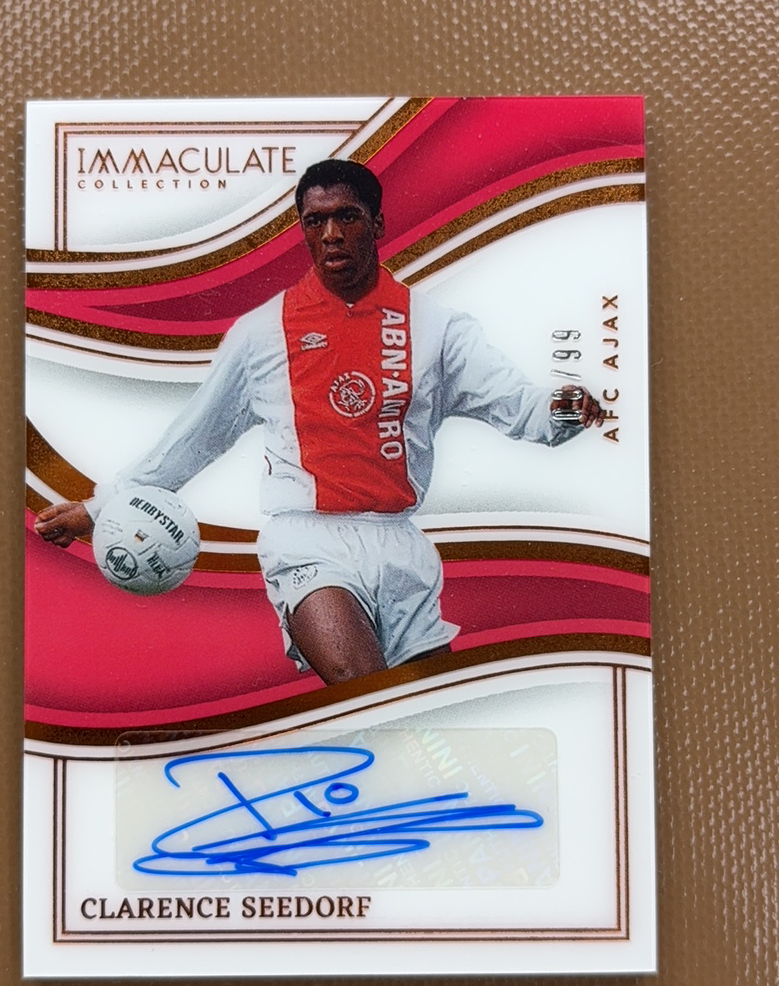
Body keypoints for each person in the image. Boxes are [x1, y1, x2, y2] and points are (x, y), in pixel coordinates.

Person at [36, 159, 604, 684]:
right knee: (370, 694)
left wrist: (569, 408)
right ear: (303, 230)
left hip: (400, 548)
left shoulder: (438, 329)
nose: (331, 234)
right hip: (307, 543)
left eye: (347, 217)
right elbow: (194, 437)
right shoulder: (263, 333)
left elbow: (520, 407)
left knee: (427, 725)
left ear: (376, 224)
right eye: (315, 221)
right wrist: (101, 507)